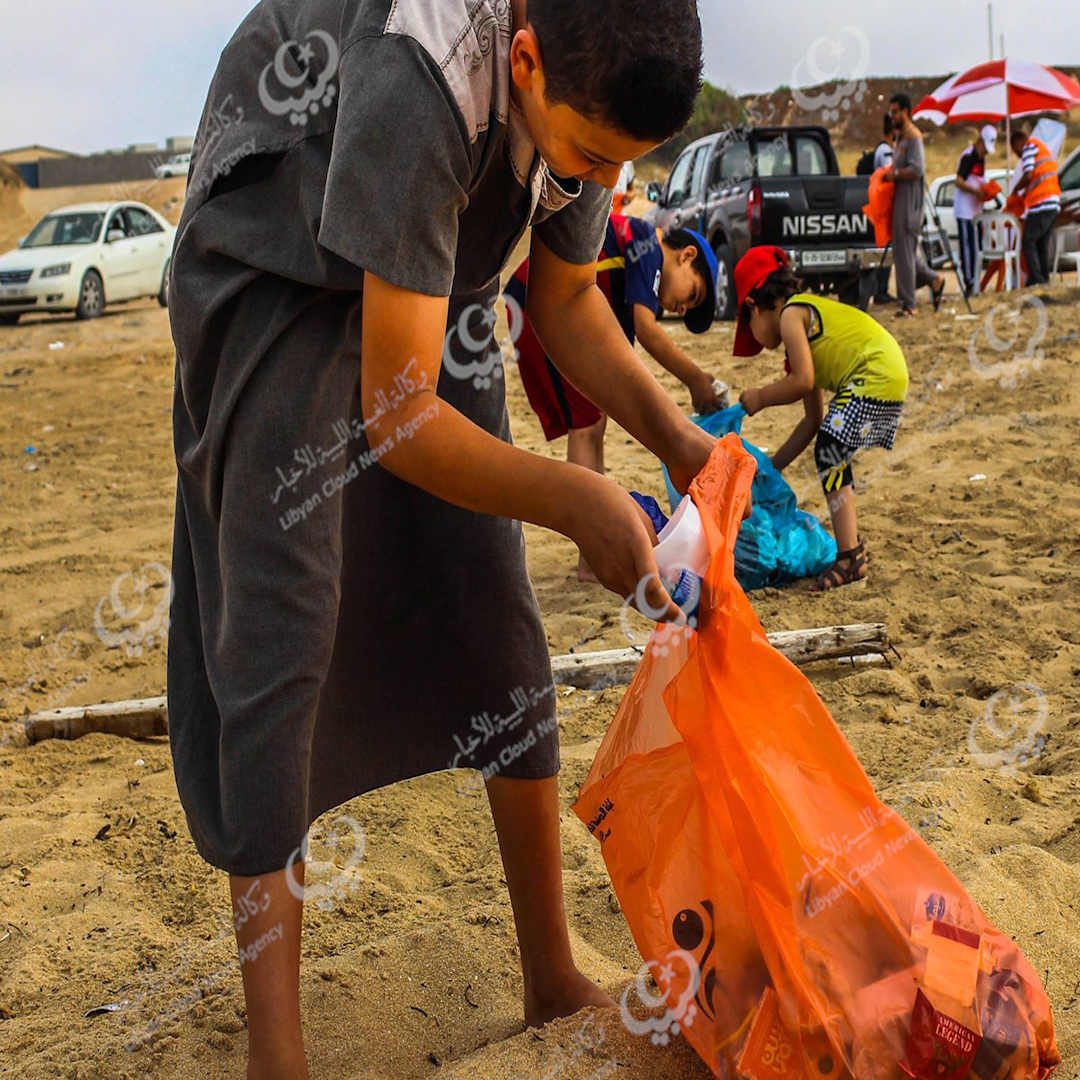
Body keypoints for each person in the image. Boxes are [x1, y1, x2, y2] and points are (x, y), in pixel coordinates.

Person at [165, 0, 709, 1074]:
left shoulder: (582, 82)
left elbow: (565, 301)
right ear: (521, 61)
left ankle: (551, 972)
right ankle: (279, 1060)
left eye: (624, 168)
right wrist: (572, 497)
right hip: (273, 259)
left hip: (427, 270)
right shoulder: (420, 75)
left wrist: (678, 439)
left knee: (489, 608)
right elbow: (398, 414)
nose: (601, 180)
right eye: (593, 157)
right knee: (283, 629)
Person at [503, 214, 725, 574]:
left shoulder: (633, 270)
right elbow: (646, 330)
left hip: (539, 303)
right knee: (587, 426)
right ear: (685, 256)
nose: (682, 309)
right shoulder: (647, 244)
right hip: (538, 301)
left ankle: (592, 548)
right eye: (693, 295)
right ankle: (589, 557)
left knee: (594, 421)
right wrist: (695, 378)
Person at [733, 246, 909, 590]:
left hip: (875, 372)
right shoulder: (801, 334)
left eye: (747, 325)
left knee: (831, 447)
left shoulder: (791, 315)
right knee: (830, 444)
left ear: (753, 306)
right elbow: (813, 419)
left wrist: (760, 397)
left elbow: (802, 382)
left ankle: (850, 556)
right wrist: (772, 465)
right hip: (885, 371)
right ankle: (851, 551)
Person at [883, 93, 945, 316]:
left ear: (906, 111)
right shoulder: (901, 137)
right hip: (900, 204)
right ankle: (934, 280)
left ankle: (909, 304)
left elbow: (917, 169)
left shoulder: (914, 137)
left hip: (911, 205)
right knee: (903, 254)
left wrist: (895, 174)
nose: (893, 116)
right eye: (891, 112)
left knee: (907, 255)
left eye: (896, 111)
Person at [1008, 124, 1061, 286]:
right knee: (1041, 244)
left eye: (1015, 151)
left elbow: (1029, 174)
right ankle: (1044, 278)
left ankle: (1036, 279)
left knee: (1028, 241)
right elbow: (1038, 176)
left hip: (1041, 203)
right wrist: (1025, 194)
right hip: (1053, 202)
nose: (1018, 156)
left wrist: (1014, 190)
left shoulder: (1029, 148)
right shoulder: (1041, 148)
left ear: (1018, 143)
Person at [954, 124, 997, 295]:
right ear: (979, 142)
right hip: (964, 211)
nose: (985, 152)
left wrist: (987, 191)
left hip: (976, 210)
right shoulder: (968, 157)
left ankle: (976, 279)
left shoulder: (981, 160)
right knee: (967, 247)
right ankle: (969, 281)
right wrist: (975, 191)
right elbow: (958, 181)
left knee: (976, 246)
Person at [871, 113, 897, 304]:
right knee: (886, 249)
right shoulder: (886, 151)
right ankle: (881, 290)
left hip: (882, 206)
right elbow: (889, 174)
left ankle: (881, 289)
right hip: (884, 207)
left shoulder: (882, 149)